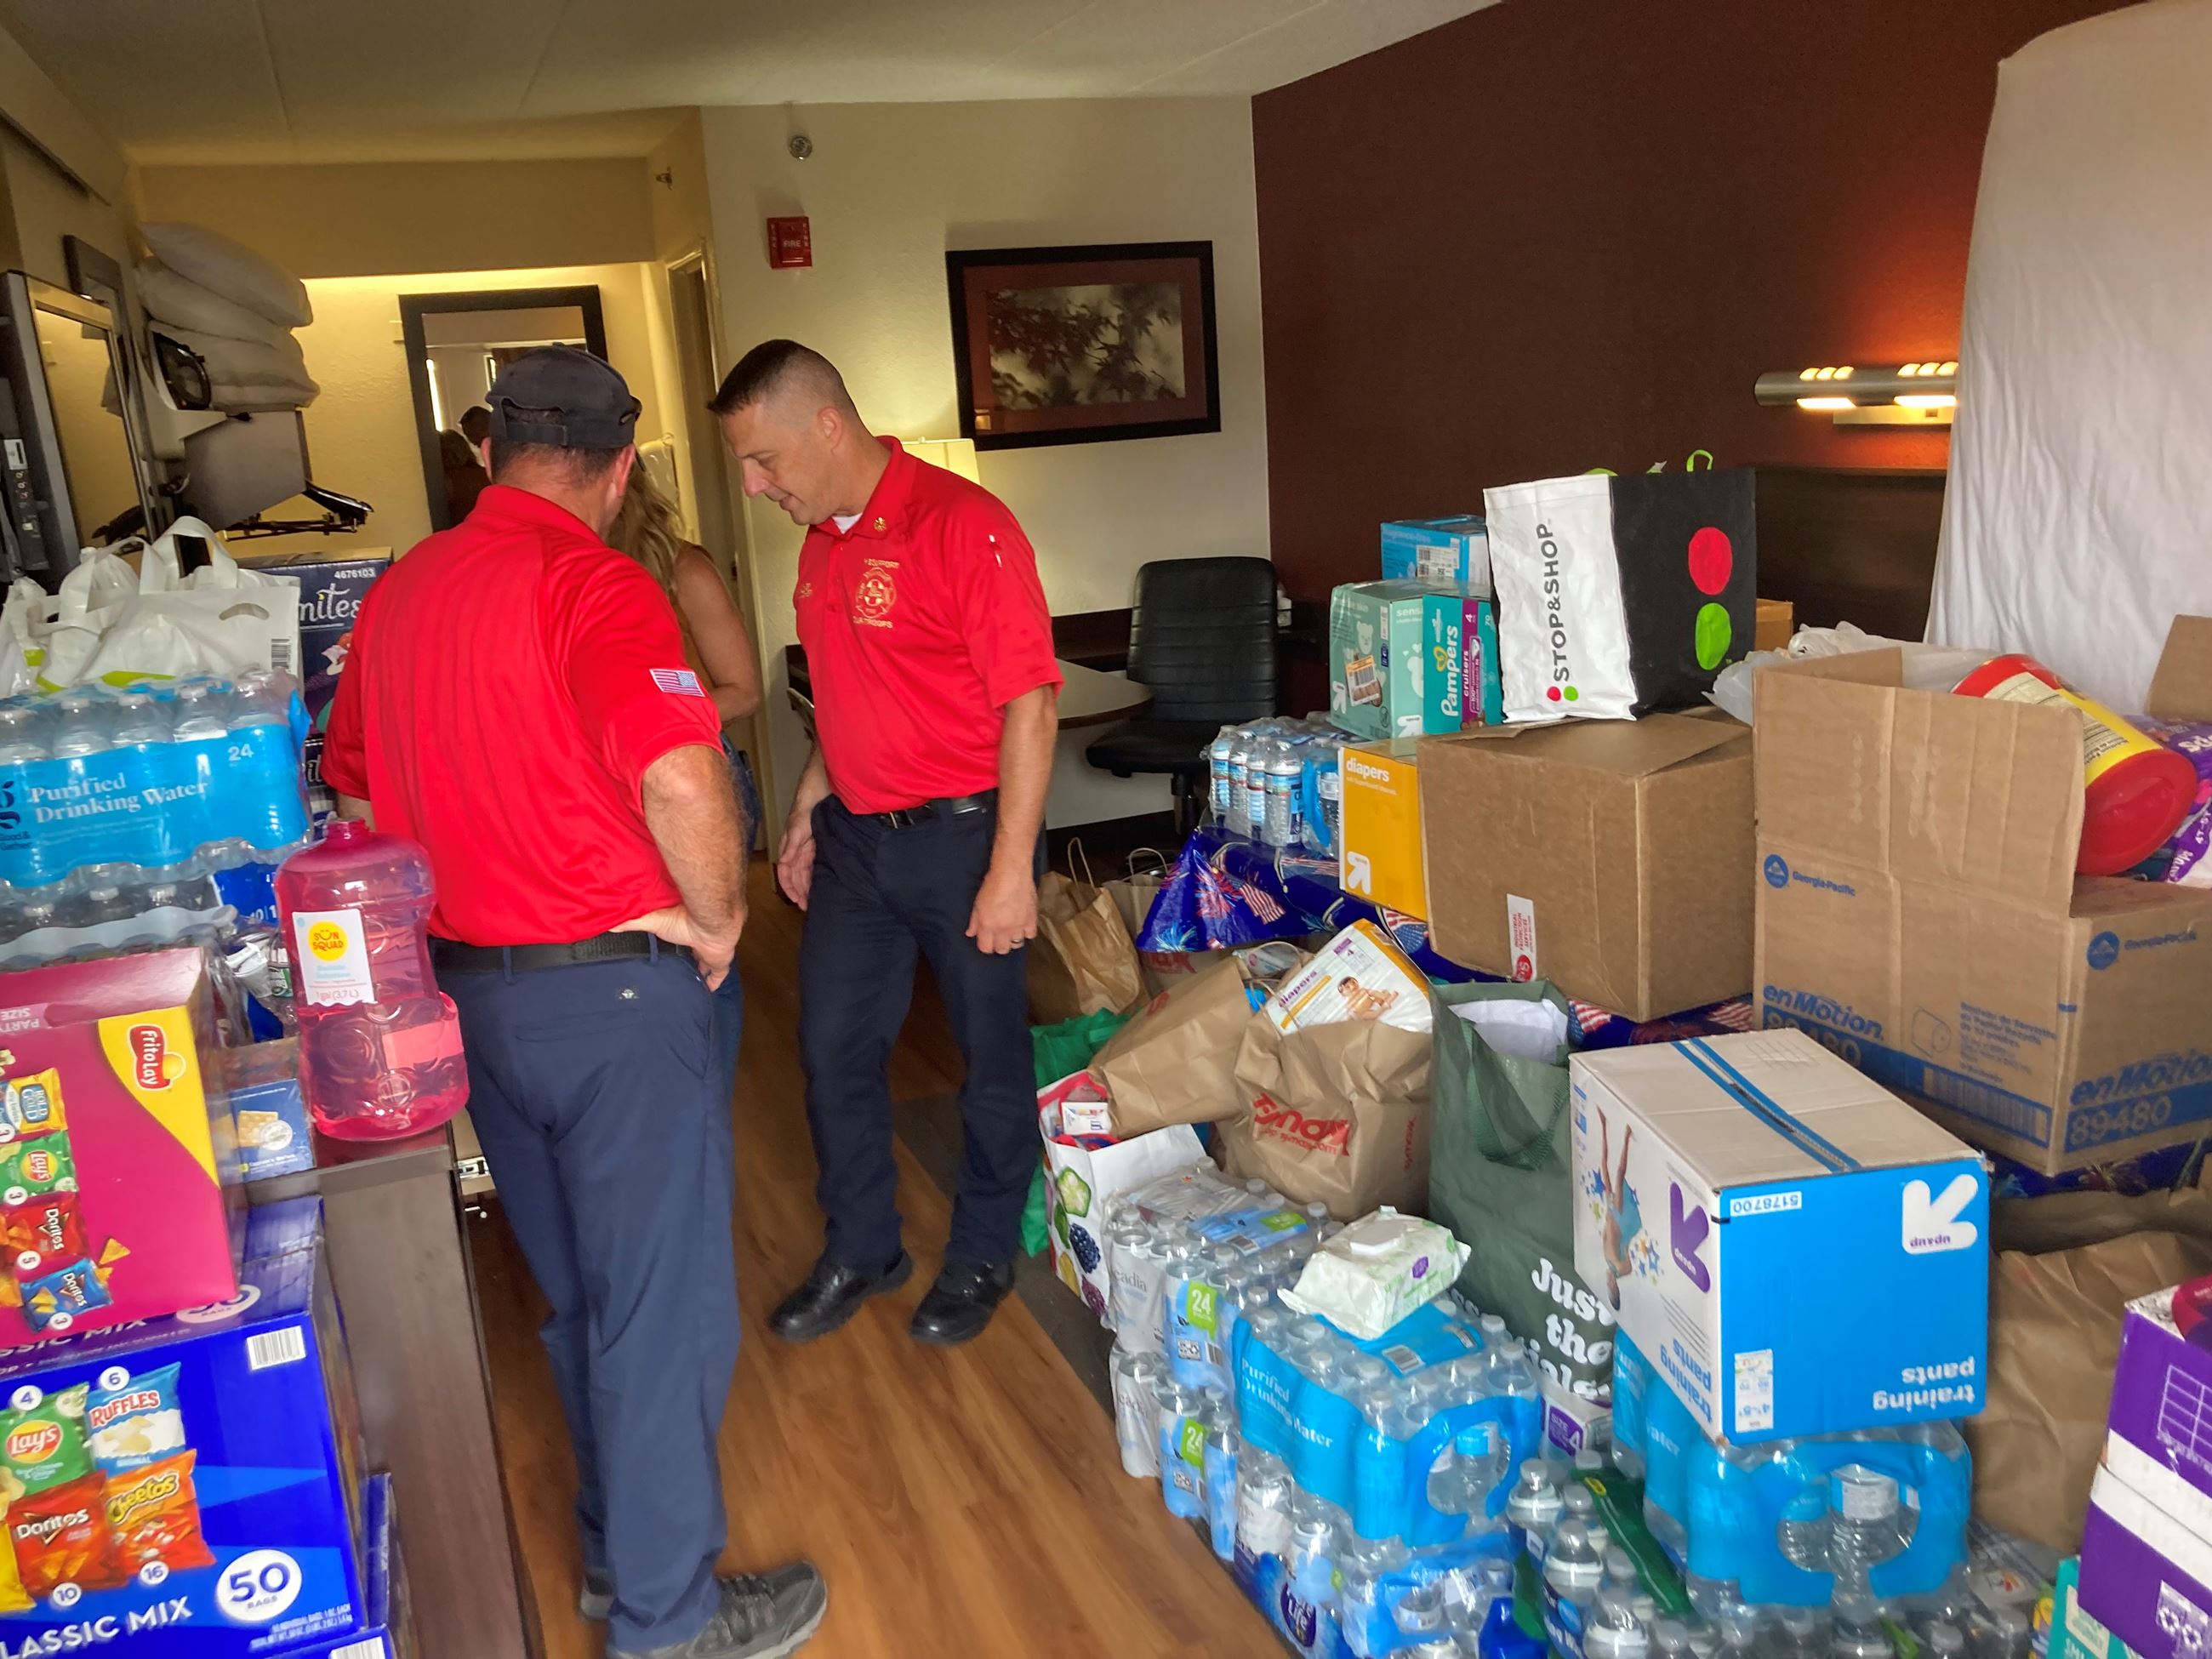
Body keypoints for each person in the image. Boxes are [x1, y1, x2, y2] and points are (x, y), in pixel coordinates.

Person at [322, 346, 824, 1659]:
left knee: (579, 1299)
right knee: (661, 1315)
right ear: (616, 473)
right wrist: (719, 921)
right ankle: (666, 1622)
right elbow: (684, 772)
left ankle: (616, 1556)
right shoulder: (591, 581)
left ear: (489, 455)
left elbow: (359, 793)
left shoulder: (403, 592)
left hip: (472, 1006)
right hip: (611, 1001)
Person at [714, 339, 1060, 1348]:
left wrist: (1008, 870)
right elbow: (846, 700)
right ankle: (864, 1245)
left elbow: (1030, 710)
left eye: (763, 459)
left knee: (989, 1055)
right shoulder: (823, 545)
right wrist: (805, 811)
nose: (752, 483)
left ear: (827, 425)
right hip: (858, 844)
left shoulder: (964, 527)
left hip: (963, 840)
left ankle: (984, 1248)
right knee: (831, 1048)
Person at [608, 461, 766, 1099]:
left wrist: (659, 721)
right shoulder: (559, 572)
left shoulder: (683, 568)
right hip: (614, 787)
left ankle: (707, 1102)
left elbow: (745, 690)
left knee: (705, 955)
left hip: (693, 776)